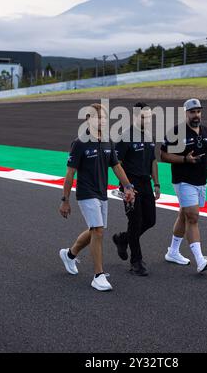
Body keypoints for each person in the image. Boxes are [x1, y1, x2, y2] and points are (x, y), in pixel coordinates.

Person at [59, 103, 135, 291]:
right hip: (86, 193)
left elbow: (117, 166)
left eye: (103, 118)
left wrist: (128, 186)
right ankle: (98, 275)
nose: (101, 121)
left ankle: (69, 254)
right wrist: (65, 200)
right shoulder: (79, 143)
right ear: (88, 120)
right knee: (98, 231)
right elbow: (70, 174)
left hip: (101, 193)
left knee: (95, 230)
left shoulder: (108, 141)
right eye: (97, 117)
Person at [160, 98, 207, 273]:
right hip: (183, 180)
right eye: (192, 112)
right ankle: (200, 260)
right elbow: (163, 156)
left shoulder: (206, 131)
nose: (196, 115)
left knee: (184, 215)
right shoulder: (176, 132)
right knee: (193, 217)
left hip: (201, 181)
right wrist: (185, 159)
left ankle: (173, 251)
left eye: (198, 111)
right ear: (186, 113)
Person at [112, 103, 160, 276]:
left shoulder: (149, 136)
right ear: (134, 117)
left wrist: (156, 183)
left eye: (148, 117)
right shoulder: (125, 136)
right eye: (142, 116)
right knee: (135, 221)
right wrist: (127, 187)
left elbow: (153, 161)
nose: (146, 120)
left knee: (150, 220)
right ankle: (136, 261)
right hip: (131, 185)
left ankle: (123, 238)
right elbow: (117, 164)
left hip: (146, 183)